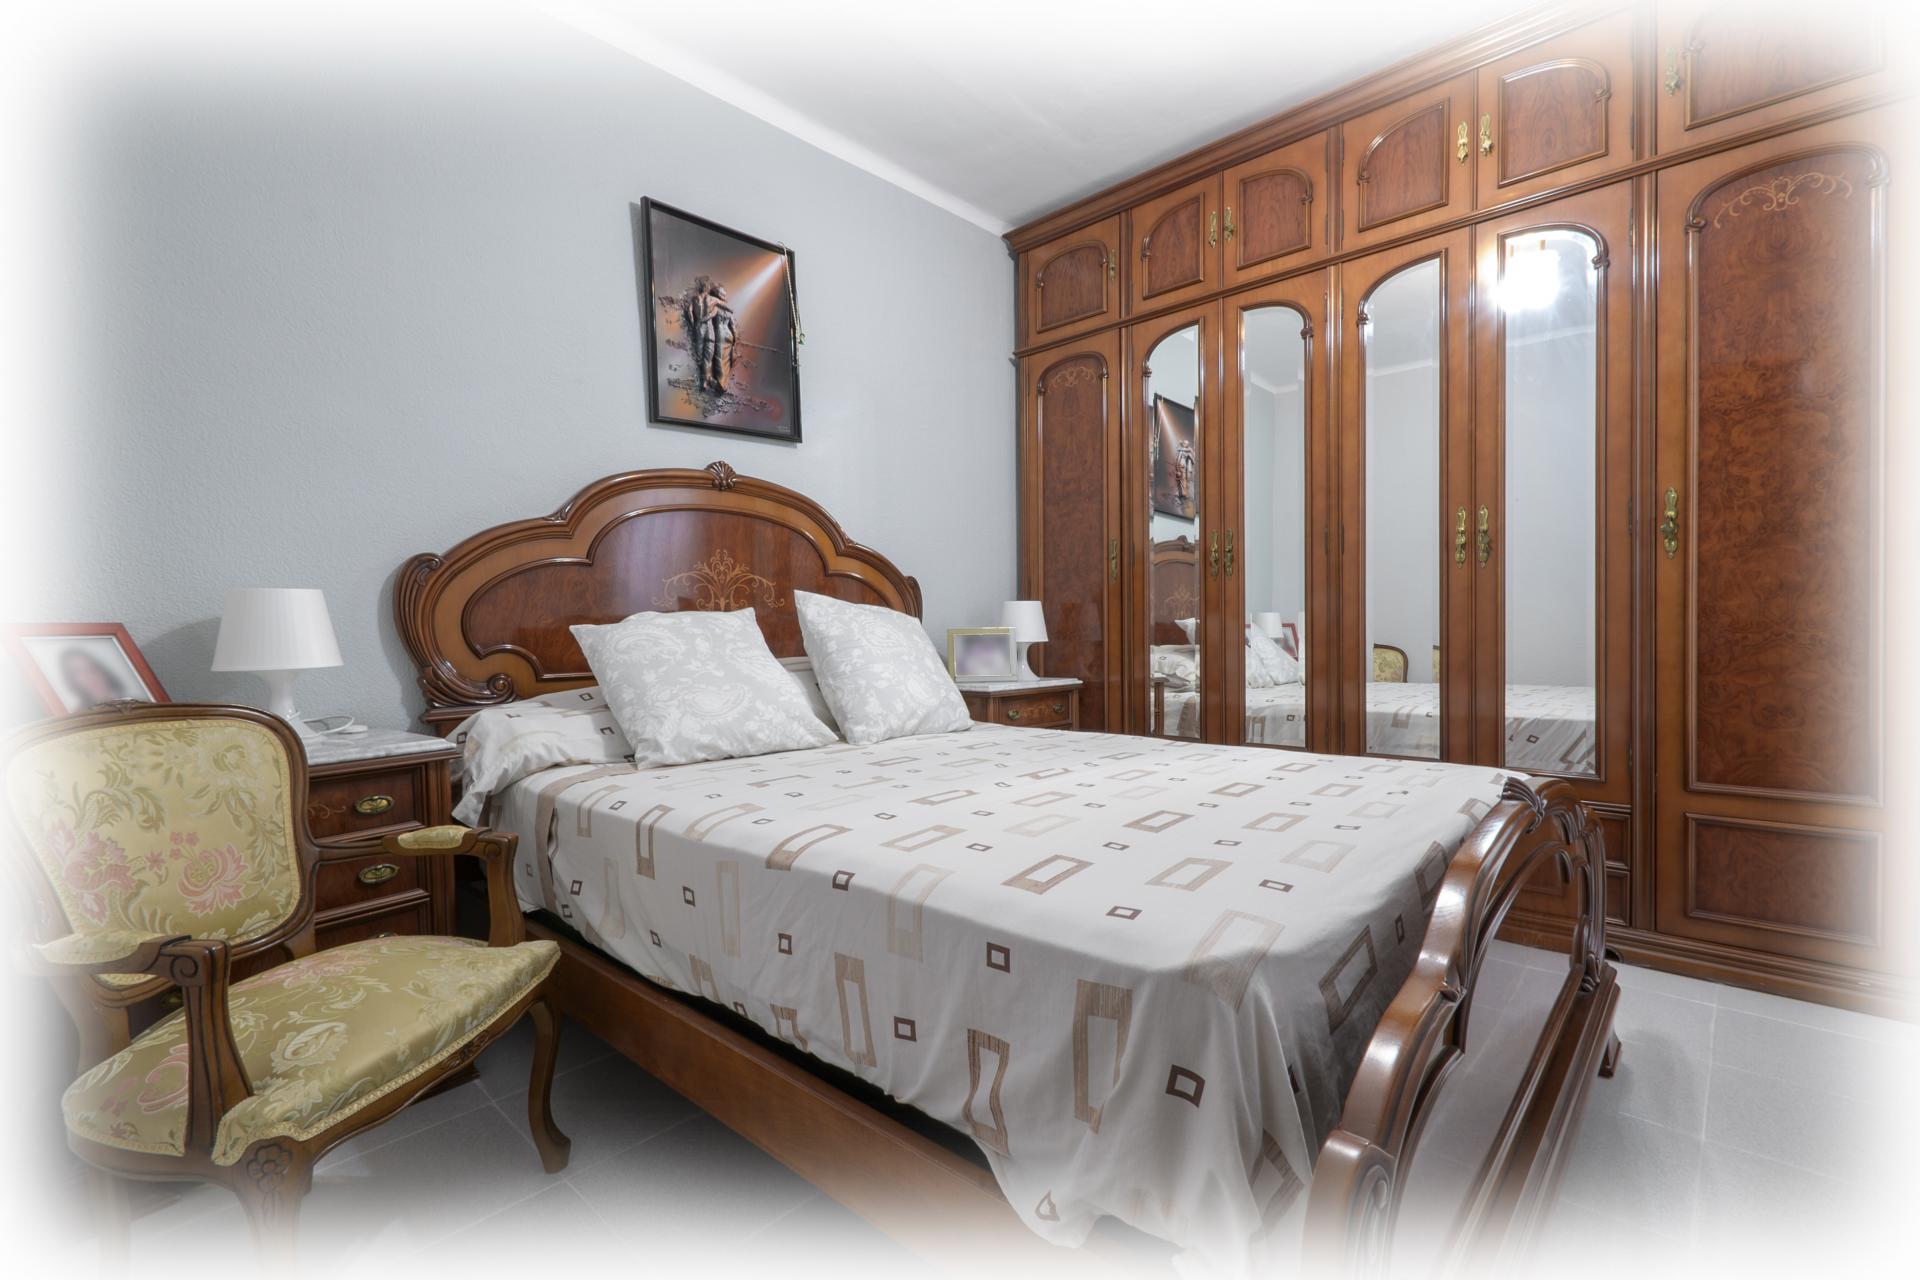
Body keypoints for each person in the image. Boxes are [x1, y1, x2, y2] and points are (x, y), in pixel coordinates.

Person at [59, 646, 129, 709]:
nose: (88, 676)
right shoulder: (81, 714)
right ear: (72, 680)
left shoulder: (128, 700)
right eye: (78, 672)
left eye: (91, 667)